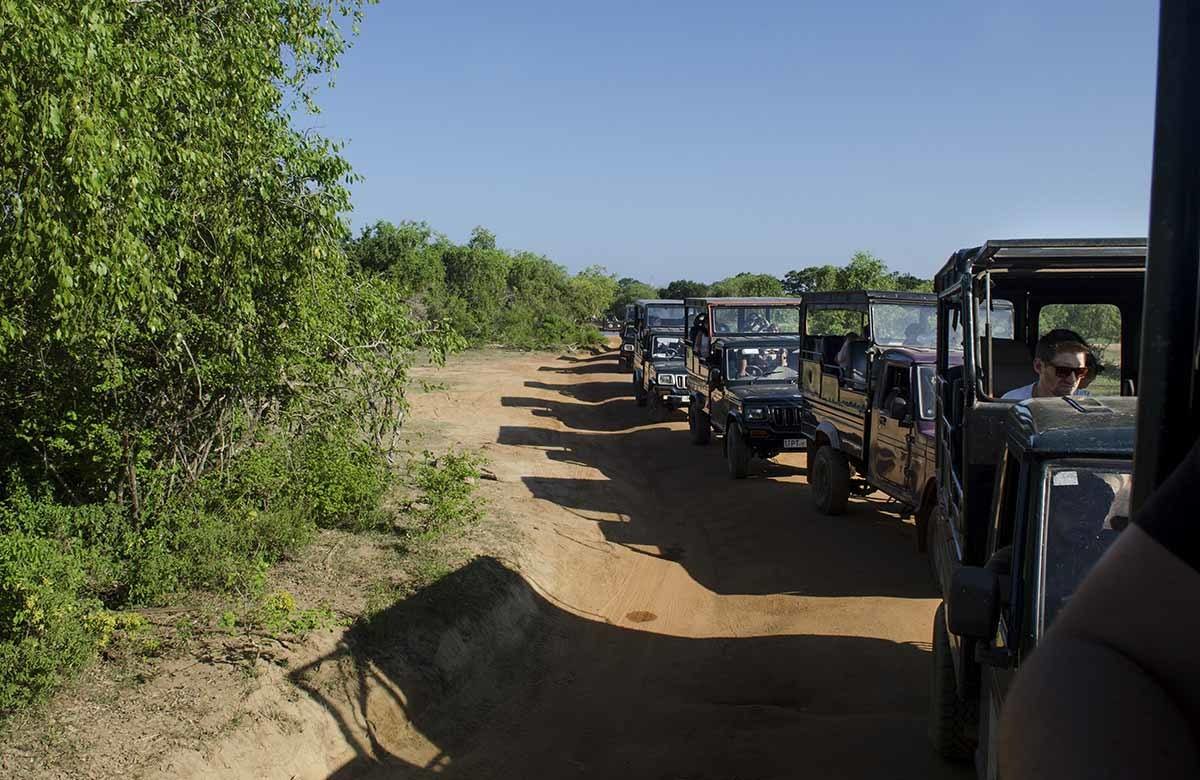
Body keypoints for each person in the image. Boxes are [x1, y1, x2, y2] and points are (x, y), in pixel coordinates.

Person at [1001, 330, 1091, 400]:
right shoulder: (1012, 402)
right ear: (1039, 366)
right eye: (1063, 370)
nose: (1072, 379)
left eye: (1080, 371)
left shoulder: (1087, 405)